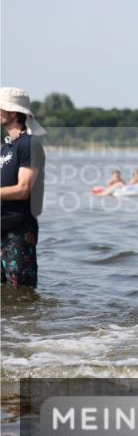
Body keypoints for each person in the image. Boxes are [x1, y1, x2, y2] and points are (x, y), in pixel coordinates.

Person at [1, 87, 46, 289]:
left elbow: (23, 189)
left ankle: (28, 322)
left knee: (22, 293)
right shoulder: (6, 146)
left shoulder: (29, 144)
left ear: (12, 112)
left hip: (19, 231)